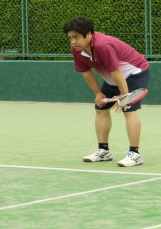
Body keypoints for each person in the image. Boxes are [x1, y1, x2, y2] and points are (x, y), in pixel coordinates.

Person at [63, 16, 149, 167]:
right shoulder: (76, 49)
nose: (73, 42)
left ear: (89, 34)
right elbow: (86, 71)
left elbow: (116, 71)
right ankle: (103, 151)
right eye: (70, 38)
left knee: (128, 110)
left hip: (135, 72)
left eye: (76, 37)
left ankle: (135, 154)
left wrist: (124, 96)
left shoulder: (103, 45)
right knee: (100, 109)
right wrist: (98, 93)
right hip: (113, 77)